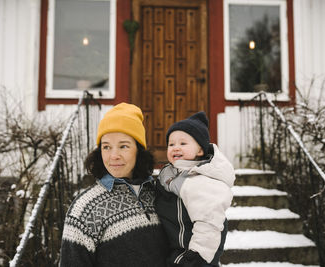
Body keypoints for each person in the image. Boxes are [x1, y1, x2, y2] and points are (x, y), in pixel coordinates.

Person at [60, 102, 169, 267]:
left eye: (123, 146)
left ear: (139, 150)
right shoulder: (85, 209)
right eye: (106, 147)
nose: (113, 156)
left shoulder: (158, 194)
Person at [155, 111, 235, 267]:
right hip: (175, 252)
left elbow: (209, 221)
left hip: (191, 257)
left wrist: (197, 256)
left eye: (183, 143)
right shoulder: (173, 174)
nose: (175, 147)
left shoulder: (201, 179)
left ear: (200, 151)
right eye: (171, 144)